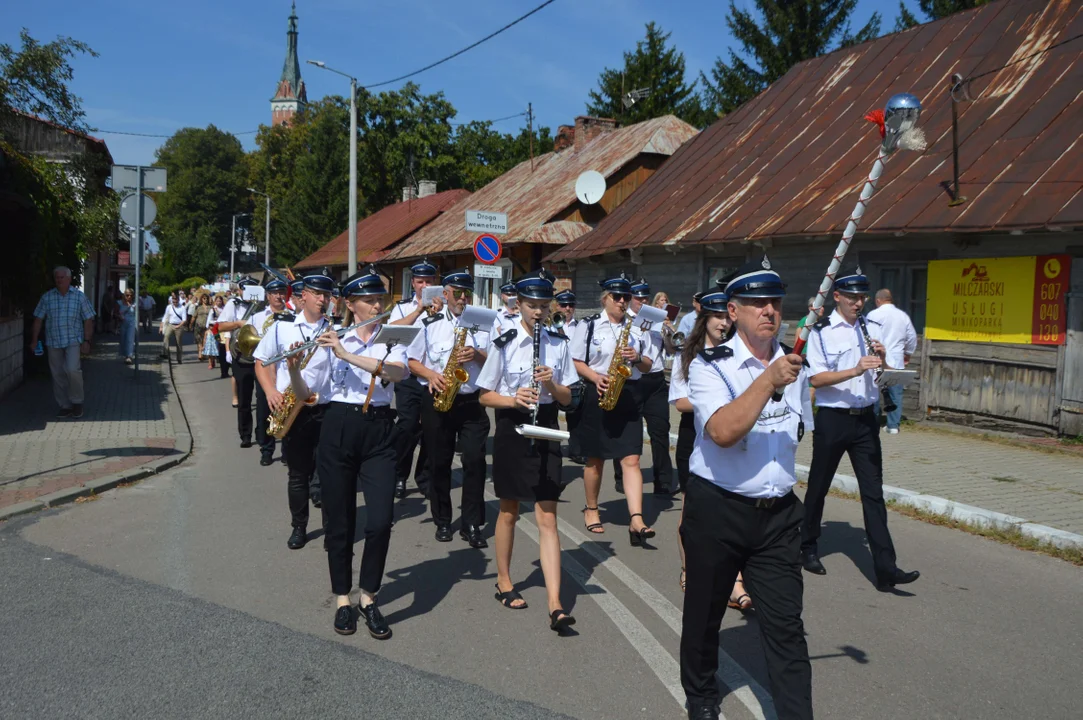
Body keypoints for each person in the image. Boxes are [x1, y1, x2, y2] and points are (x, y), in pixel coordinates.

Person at [680, 258, 813, 720]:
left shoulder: (796, 366)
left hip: (777, 516)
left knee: (786, 627)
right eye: (757, 303)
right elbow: (720, 432)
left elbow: (798, 430)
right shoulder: (709, 365)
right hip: (718, 509)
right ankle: (700, 696)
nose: (769, 311)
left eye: (775, 302)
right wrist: (767, 381)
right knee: (704, 615)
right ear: (732, 311)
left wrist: (783, 377)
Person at [802, 268, 920, 590]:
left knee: (873, 494)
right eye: (852, 297)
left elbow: (885, 375)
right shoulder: (821, 332)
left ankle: (886, 567)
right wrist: (854, 369)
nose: (858, 303)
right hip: (833, 417)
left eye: (862, 297)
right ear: (837, 296)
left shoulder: (870, 327)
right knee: (818, 486)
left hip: (865, 419)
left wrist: (883, 362)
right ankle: (807, 546)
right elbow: (815, 379)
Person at [309, 266, 408, 639]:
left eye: (380, 299)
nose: (377, 305)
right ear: (350, 305)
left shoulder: (394, 337)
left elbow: (396, 374)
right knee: (340, 523)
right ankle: (343, 600)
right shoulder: (332, 338)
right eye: (369, 301)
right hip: (338, 427)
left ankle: (369, 597)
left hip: (379, 429)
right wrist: (293, 367)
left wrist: (345, 354)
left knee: (380, 520)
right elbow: (310, 391)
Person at [478, 270, 577, 632]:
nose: (538, 312)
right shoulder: (504, 343)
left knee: (547, 516)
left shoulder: (558, 341)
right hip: (512, 425)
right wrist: (513, 398)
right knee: (508, 509)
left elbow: (568, 399)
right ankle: (503, 580)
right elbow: (484, 394)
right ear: (517, 305)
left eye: (543, 306)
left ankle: (555, 603)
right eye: (531, 306)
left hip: (547, 424)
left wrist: (550, 381)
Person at [406, 268, 491, 548]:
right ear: (445, 294)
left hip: (471, 401)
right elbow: (412, 361)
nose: (463, 298)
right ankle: (442, 519)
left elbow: (496, 359)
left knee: (475, 462)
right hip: (439, 398)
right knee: (439, 462)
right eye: (457, 293)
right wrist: (431, 375)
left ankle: (472, 523)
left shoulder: (483, 323)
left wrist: (478, 354)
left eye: (467, 292)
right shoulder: (429, 324)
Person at [568, 271, 654, 542]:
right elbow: (576, 361)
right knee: (595, 458)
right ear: (605, 298)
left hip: (628, 393)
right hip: (599, 391)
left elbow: (650, 365)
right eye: (617, 297)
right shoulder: (589, 325)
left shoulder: (637, 326)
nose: (622, 302)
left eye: (626, 297)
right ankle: (592, 509)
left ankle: (636, 518)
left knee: (632, 458)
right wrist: (595, 377)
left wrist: (637, 357)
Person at [254, 272, 335, 550]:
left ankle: (330, 528)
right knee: (298, 474)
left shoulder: (334, 329)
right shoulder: (282, 326)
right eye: (318, 295)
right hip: (295, 410)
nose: (323, 300)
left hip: (326, 408)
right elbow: (262, 362)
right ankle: (299, 527)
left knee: (328, 474)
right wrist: (271, 392)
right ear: (304, 296)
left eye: (327, 295)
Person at [389, 259, 443, 499]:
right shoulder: (402, 307)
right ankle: (400, 474)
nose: (424, 285)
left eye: (429, 281)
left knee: (432, 430)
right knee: (408, 427)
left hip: (434, 376)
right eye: (420, 281)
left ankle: (424, 476)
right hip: (409, 375)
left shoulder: (445, 308)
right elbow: (391, 331)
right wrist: (419, 310)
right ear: (413, 283)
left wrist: (442, 312)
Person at [29, 266, 96, 418]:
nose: (59, 280)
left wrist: (87, 341)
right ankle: (65, 405)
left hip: (72, 340)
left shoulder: (79, 297)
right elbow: (38, 319)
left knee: (72, 370)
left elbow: (88, 319)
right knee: (57, 374)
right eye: (57, 278)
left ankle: (77, 402)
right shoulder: (47, 297)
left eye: (62, 277)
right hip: (53, 341)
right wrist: (34, 340)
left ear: (69, 279)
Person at [630, 278, 674, 495]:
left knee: (660, 431)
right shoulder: (625, 321)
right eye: (638, 298)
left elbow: (670, 350)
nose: (642, 301)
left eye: (645, 298)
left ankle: (663, 480)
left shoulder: (657, 321)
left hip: (656, 380)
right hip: (634, 381)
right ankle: (623, 476)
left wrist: (667, 332)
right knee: (631, 432)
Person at [245, 277, 291, 466]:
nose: (279, 296)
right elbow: (246, 338)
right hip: (264, 368)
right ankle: (267, 449)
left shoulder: (293, 315)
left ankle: (288, 451)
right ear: (268, 296)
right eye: (275, 293)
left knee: (288, 411)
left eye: (281, 293)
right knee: (264, 410)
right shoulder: (257, 317)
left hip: (285, 369)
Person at [866, 288, 917, 435]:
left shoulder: (873, 315)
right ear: (890, 299)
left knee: (873, 393)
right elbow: (911, 337)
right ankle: (893, 425)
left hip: (876, 359)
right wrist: (907, 353)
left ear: (878, 301)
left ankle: (872, 423)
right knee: (896, 394)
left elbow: (866, 336)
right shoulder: (903, 316)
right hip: (896, 360)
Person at [216, 277, 259, 413]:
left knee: (262, 394)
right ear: (240, 290)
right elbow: (220, 326)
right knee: (244, 392)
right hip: (241, 351)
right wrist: (237, 324)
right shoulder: (233, 304)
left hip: (260, 352)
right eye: (245, 290)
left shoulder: (262, 304)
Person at [159, 292, 187, 363]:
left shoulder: (182, 308)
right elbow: (165, 316)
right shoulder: (169, 307)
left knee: (178, 342)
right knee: (166, 336)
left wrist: (179, 326)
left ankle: (179, 358)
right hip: (170, 324)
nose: (174, 303)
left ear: (178, 300)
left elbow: (184, 320)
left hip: (179, 325)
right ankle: (165, 353)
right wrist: (161, 326)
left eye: (175, 302)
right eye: (173, 302)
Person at [117, 289, 137, 364]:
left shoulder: (134, 304)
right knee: (123, 339)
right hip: (123, 323)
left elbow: (137, 314)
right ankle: (125, 355)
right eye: (127, 295)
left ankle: (129, 356)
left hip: (131, 323)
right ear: (124, 295)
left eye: (131, 295)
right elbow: (115, 313)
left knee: (130, 339)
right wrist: (119, 316)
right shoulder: (119, 303)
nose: (129, 297)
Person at [204, 296, 223, 370]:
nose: (218, 302)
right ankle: (210, 362)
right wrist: (208, 327)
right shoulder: (213, 309)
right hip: (213, 328)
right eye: (217, 301)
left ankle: (216, 359)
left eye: (220, 301)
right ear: (215, 301)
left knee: (218, 346)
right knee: (211, 346)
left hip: (222, 328)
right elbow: (209, 319)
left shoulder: (224, 309)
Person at [194, 294, 211, 362]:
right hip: (199, 325)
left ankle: (203, 353)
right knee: (199, 339)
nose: (205, 300)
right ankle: (200, 353)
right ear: (201, 299)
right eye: (204, 298)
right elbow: (194, 316)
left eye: (206, 298)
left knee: (205, 340)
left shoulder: (210, 307)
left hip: (207, 326)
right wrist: (190, 324)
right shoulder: (198, 307)